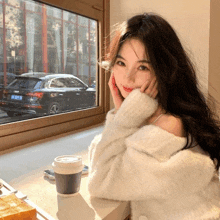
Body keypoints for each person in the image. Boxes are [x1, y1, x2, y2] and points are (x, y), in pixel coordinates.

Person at [87, 12, 220, 220]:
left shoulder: (168, 125)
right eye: (121, 63)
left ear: (163, 71)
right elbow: (101, 152)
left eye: (142, 67)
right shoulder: (153, 114)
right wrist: (124, 114)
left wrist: (123, 117)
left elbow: (100, 181)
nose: (128, 77)